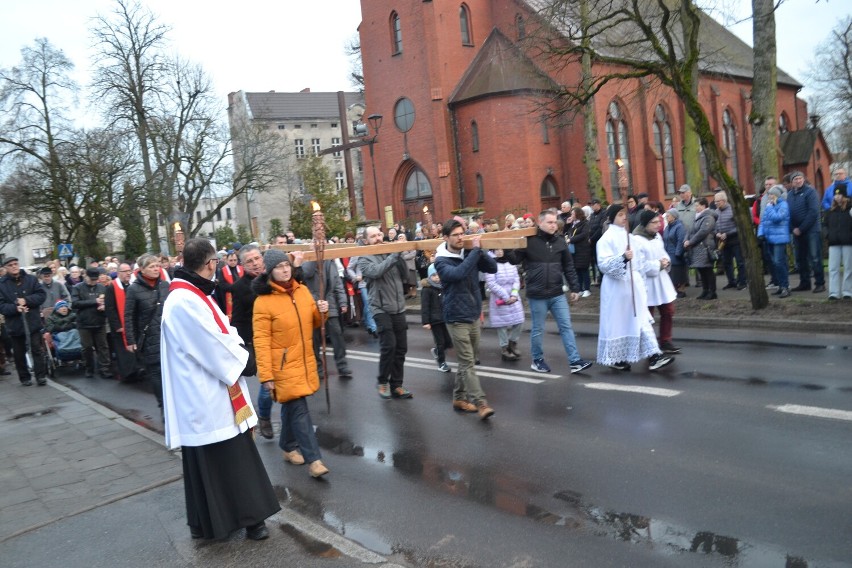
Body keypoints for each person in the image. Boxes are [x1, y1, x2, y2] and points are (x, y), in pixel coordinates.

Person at [161, 238, 279, 541]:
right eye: (216, 262)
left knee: (223, 457)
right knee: (232, 457)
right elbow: (210, 345)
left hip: (211, 389)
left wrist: (238, 347)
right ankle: (249, 518)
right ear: (210, 263)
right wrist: (245, 360)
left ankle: (221, 521)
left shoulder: (192, 293)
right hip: (206, 394)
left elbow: (222, 331)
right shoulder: (184, 300)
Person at [253, 249, 330, 478]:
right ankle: (314, 460)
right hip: (283, 366)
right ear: (269, 271)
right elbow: (261, 341)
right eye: (278, 267)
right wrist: (266, 376)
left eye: (286, 265)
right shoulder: (263, 302)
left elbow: (315, 322)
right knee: (299, 410)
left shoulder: (302, 290)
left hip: (304, 360)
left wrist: (322, 312)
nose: (285, 270)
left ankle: (287, 446)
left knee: (291, 406)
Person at [511, 210, 594, 375]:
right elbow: (514, 259)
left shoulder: (560, 242)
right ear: (540, 223)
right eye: (549, 222)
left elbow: (568, 266)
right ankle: (537, 360)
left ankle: (575, 361)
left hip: (557, 293)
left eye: (555, 222)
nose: (553, 225)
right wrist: (505, 249)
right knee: (538, 329)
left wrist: (575, 287)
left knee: (566, 327)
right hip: (537, 294)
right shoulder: (529, 241)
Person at [596, 206, 674, 371]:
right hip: (616, 289)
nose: (624, 217)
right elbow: (603, 265)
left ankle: (654, 356)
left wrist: (641, 281)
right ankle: (616, 359)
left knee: (641, 320)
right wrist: (623, 258)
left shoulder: (630, 237)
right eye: (620, 214)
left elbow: (640, 264)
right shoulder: (605, 239)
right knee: (618, 323)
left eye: (625, 214)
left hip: (633, 286)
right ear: (612, 217)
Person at [434, 219, 498, 419]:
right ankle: (480, 403)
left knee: (466, 360)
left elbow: (493, 268)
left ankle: (459, 397)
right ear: (446, 238)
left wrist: (481, 251)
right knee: (469, 362)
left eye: (462, 233)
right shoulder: (441, 260)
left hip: (472, 314)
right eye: (456, 235)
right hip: (455, 317)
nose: (460, 237)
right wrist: (475, 253)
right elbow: (458, 274)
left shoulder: (470, 252)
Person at [359, 226, 413, 399]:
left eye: (379, 234)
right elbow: (376, 272)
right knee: (389, 346)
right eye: (373, 236)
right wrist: (394, 255)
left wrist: (401, 256)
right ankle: (383, 382)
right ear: (366, 240)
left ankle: (397, 384)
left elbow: (405, 275)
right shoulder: (364, 258)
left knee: (401, 348)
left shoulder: (391, 252)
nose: (378, 238)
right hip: (379, 308)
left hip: (398, 306)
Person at [229, 245, 274, 439]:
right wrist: (239, 343)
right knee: (268, 383)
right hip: (256, 339)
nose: (255, 263)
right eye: (250, 261)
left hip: (279, 336)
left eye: (257, 258)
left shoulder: (275, 276)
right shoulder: (239, 287)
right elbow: (238, 319)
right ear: (242, 265)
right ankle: (264, 416)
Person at [125, 254, 170, 408]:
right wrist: (130, 340)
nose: (156, 269)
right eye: (151, 266)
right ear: (142, 270)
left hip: (167, 336)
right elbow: (129, 315)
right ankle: (163, 405)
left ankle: (173, 405)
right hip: (148, 337)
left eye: (157, 265)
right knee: (156, 372)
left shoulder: (165, 286)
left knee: (170, 373)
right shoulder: (133, 289)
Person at [633, 210, 680, 354]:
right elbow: (639, 265)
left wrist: (666, 261)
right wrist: (658, 265)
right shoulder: (637, 240)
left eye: (659, 222)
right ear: (646, 224)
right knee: (648, 316)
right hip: (648, 283)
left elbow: (662, 253)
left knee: (668, 311)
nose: (658, 225)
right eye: (654, 222)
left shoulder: (657, 236)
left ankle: (665, 340)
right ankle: (649, 345)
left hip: (661, 281)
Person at [300, 259, 353, 380]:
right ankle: (318, 368)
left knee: (337, 336)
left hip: (330, 304)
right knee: (315, 339)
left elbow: (337, 283)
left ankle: (342, 366)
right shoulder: (306, 261)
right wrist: (313, 259)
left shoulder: (331, 262)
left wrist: (342, 302)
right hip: (312, 306)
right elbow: (305, 275)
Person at [0, 258, 48, 385]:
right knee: (19, 353)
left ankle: (41, 376)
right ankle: (25, 377)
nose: (14, 267)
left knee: (37, 349)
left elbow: (41, 295)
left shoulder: (31, 279)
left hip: (32, 321)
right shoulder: (2, 284)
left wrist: (26, 300)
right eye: (10, 265)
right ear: (5, 268)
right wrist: (15, 308)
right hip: (15, 324)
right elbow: (1, 305)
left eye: (16, 264)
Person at [787, 171, 826, 293]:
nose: (798, 181)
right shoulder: (789, 195)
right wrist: (792, 228)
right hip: (797, 232)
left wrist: (801, 228)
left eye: (799, 178)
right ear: (792, 182)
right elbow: (788, 213)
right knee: (800, 258)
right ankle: (805, 283)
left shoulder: (810, 192)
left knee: (815, 257)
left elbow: (813, 212)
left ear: (803, 179)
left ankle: (820, 283)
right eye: (795, 179)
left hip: (811, 230)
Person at [104, 262, 142, 382]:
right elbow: (110, 308)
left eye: (129, 271)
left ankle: (138, 369)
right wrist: (117, 325)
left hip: (132, 324)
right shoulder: (112, 287)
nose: (128, 274)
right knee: (123, 351)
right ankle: (128, 373)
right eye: (125, 271)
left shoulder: (133, 285)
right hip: (120, 325)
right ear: (119, 273)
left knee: (135, 348)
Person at [484, 249, 524, 362]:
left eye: (501, 249)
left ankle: (513, 343)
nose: (500, 252)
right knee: (501, 325)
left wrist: (514, 294)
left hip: (513, 297)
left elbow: (516, 279)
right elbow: (491, 283)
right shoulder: (491, 264)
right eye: (497, 250)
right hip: (500, 298)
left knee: (519, 321)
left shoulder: (510, 262)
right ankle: (504, 348)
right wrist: (505, 297)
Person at [72, 267, 112, 378]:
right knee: (87, 347)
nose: (94, 281)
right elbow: (75, 304)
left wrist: (104, 306)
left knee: (103, 346)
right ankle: (89, 368)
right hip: (84, 323)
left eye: (95, 279)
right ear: (85, 276)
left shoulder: (102, 287)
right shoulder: (77, 288)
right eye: (91, 279)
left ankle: (105, 368)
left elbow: (108, 302)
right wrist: (94, 301)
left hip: (99, 321)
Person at [757, 186, 791, 298]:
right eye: (769, 194)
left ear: (777, 195)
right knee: (774, 263)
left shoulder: (783, 205)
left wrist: (770, 208)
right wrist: (760, 234)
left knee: (779, 262)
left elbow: (777, 218)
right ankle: (780, 286)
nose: (770, 196)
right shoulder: (769, 205)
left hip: (779, 238)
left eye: (772, 194)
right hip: (769, 238)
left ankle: (785, 286)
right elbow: (763, 221)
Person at [684, 198, 718, 300]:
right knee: (701, 270)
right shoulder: (698, 217)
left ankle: (712, 291)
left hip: (705, 246)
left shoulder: (708, 217)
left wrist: (691, 241)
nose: (695, 207)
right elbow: (690, 230)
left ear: (703, 206)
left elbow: (703, 232)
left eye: (697, 205)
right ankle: (705, 290)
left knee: (707, 270)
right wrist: (686, 240)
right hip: (697, 248)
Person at [420, 264, 452, 373]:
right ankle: (441, 363)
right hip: (434, 320)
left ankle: (437, 351)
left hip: (443, 318)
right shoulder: (427, 289)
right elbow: (425, 306)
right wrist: (426, 322)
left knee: (448, 342)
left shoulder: (441, 287)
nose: (437, 277)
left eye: (438, 275)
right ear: (429, 276)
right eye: (434, 275)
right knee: (441, 342)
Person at [713, 191, 747, 290]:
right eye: (715, 202)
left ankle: (742, 282)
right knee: (726, 262)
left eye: (717, 201)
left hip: (735, 240)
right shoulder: (716, 212)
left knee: (740, 262)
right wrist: (717, 233)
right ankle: (731, 281)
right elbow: (714, 226)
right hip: (723, 242)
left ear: (724, 201)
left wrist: (727, 234)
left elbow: (739, 226)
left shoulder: (733, 210)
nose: (716, 203)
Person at [824, 187, 852, 300]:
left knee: (848, 267)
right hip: (834, 242)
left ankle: (847, 291)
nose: (837, 197)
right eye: (835, 195)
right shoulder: (830, 211)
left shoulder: (849, 210)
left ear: (844, 196)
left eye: (840, 195)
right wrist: (827, 235)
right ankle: (833, 292)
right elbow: (825, 225)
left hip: (848, 242)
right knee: (833, 268)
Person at [565, 206, 592, 297]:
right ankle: (580, 289)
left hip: (583, 250)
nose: (571, 215)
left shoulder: (585, 223)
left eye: (573, 213)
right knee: (577, 270)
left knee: (584, 270)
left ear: (578, 214)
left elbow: (584, 234)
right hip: (575, 251)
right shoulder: (573, 224)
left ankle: (587, 289)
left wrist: (571, 240)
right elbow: (568, 232)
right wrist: (568, 224)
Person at [216, 250, 244, 320]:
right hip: (228, 297)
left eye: (235, 260)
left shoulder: (242, 269)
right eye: (231, 260)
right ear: (227, 260)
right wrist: (234, 287)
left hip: (241, 296)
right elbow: (221, 284)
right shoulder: (223, 270)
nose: (233, 262)